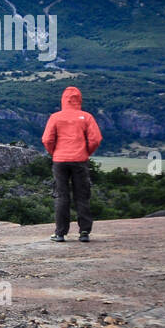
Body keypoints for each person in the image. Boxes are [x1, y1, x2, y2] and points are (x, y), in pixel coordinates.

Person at [42, 86, 102, 242]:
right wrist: (86, 152)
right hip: (80, 160)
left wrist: (54, 153)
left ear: (63, 100)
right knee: (82, 196)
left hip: (60, 160)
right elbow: (96, 139)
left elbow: (47, 139)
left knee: (62, 196)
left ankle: (60, 233)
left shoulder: (55, 117)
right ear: (79, 100)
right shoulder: (86, 117)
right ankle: (84, 232)